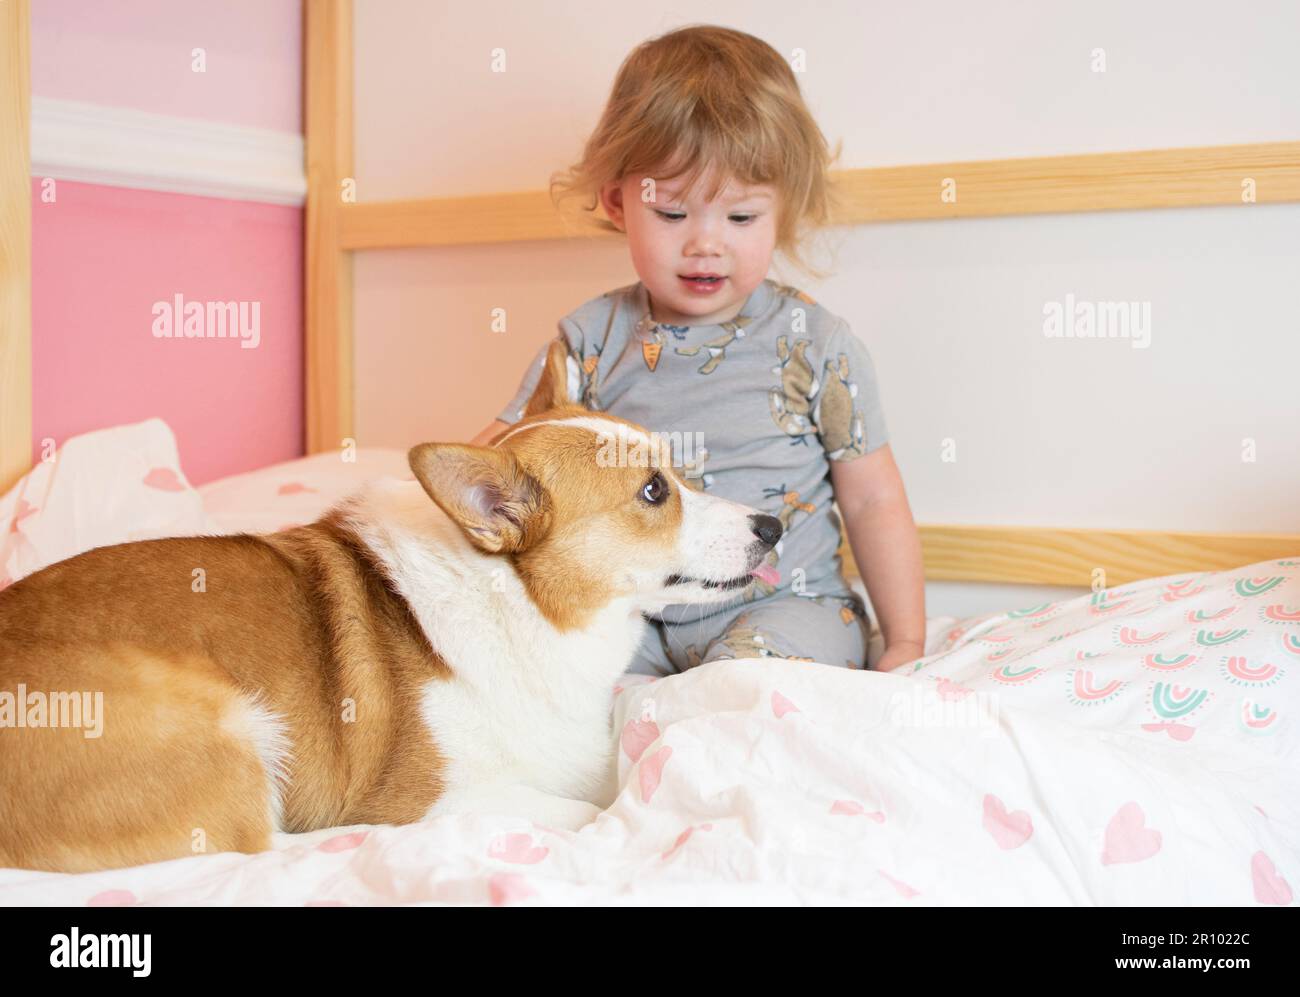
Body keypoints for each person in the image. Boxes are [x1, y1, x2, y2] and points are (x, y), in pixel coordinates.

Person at [472, 25, 925, 674]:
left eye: (741, 218)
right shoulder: (591, 342)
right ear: (617, 202)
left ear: (783, 210)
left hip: (785, 606)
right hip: (641, 612)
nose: (706, 243)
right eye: (674, 214)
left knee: (747, 684)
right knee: (572, 693)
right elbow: (511, 449)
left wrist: (905, 640)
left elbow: (873, 500)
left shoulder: (819, 348)